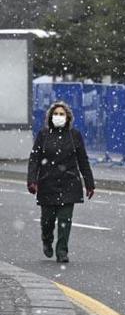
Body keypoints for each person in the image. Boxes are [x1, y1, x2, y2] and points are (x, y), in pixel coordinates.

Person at [27, 101, 95, 263]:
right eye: (56, 114)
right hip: (47, 183)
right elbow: (34, 159)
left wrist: (89, 183)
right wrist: (32, 180)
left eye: (62, 114)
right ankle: (47, 239)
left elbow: (82, 160)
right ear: (50, 117)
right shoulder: (43, 135)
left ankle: (62, 250)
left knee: (65, 219)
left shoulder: (74, 135)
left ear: (68, 117)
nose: (58, 117)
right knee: (47, 220)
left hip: (69, 183)